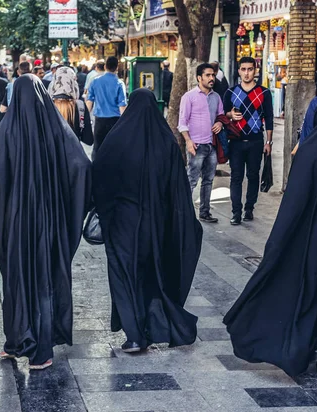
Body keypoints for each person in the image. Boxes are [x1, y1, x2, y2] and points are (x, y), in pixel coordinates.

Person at [224, 96, 317, 378]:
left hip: (315, 238)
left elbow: (295, 202)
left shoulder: (310, 151)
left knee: (312, 292)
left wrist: (279, 241)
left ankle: (308, 346)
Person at [0, 73, 91, 370]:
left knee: (16, 280)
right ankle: (41, 350)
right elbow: (80, 164)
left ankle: (15, 341)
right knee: (44, 280)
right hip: (50, 222)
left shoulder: (8, 130)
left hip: (16, 223)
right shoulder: (56, 129)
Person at [93, 88, 202, 353]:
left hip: (120, 225)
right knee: (152, 275)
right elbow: (178, 190)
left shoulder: (116, 139)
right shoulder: (166, 142)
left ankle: (134, 334)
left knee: (123, 275)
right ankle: (152, 326)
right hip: (154, 227)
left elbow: (97, 178)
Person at [223, 57, 274, 225]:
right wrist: (230, 115)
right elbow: (222, 116)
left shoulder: (264, 93)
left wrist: (268, 142)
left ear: (255, 70)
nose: (246, 73)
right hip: (236, 142)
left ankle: (249, 209)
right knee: (236, 177)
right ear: (239, 71)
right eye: (243, 69)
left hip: (256, 141)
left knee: (253, 176)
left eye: (250, 69)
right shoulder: (230, 93)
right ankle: (236, 212)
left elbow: (269, 118)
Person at [178, 63, 224, 224]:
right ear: (199, 78)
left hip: (211, 145)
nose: (212, 78)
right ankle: (183, 213)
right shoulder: (189, 97)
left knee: (208, 180)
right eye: (208, 75)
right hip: (195, 145)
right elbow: (182, 122)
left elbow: (221, 116)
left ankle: (204, 212)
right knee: (191, 180)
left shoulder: (216, 97)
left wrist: (220, 123)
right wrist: (188, 142)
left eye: (213, 75)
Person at [86, 56, 127, 158]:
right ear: (117, 67)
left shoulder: (95, 81)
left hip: (100, 120)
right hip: (115, 121)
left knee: (97, 147)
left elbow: (89, 101)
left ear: (105, 67)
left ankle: (96, 169)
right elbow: (122, 105)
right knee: (114, 147)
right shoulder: (119, 83)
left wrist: (85, 118)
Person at [49, 65, 92, 143]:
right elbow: (88, 139)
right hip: (73, 153)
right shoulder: (80, 106)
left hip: (53, 153)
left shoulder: (47, 105)